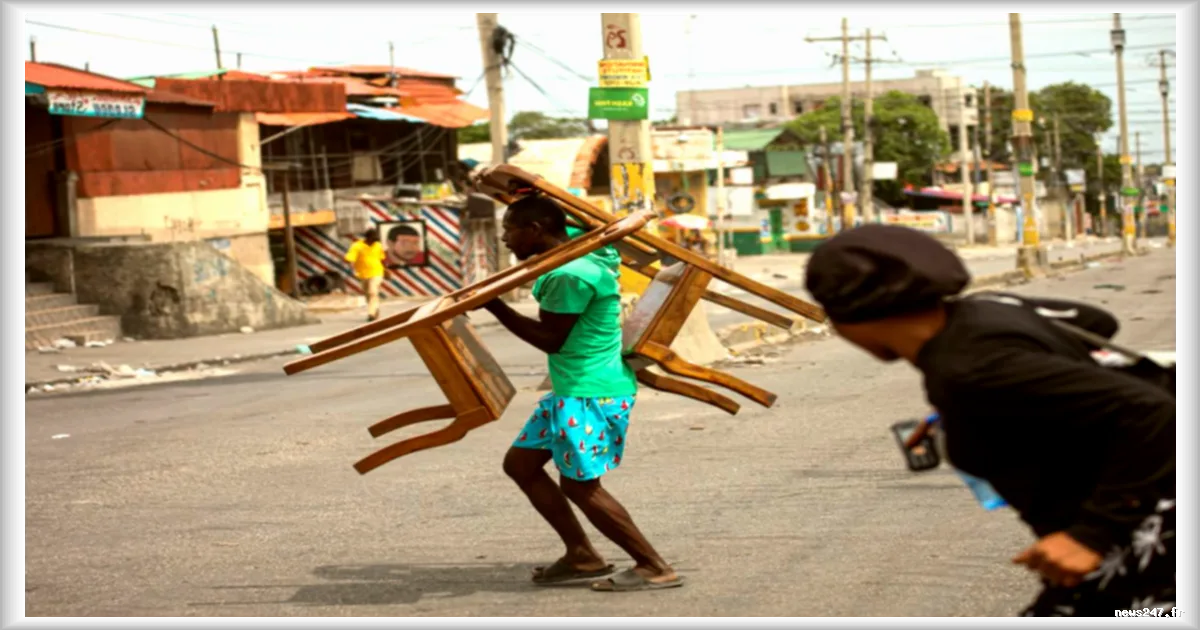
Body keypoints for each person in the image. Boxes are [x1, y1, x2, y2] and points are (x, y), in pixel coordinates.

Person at [803, 224, 1176, 617]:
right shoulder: (987, 310)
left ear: (846, 316)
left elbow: (1155, 412)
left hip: (1142, 550)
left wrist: (1091, 536)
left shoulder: (968, 369)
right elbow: (1095, 321)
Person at [477, 194, 683, 593]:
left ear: (535, 231)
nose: (505, 239)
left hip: (589, 392)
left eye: (510, 230)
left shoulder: (569, 274)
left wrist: (494, 306)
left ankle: (652, 565)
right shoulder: (579, 249)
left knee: (579, 485)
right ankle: (582, 555)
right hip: (575, 388)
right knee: (521, 465)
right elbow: (574, 223)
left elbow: (550, 339)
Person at [344, 228, 386, 322]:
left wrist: (386, 270)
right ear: (367, 238)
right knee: (368, 294)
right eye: (372, 239)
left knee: (373, 292)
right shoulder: (357, 246)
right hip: (362, 274)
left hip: (377, 272)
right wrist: (349, 261)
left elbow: (382, 259)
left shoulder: (378, 245)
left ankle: (371, 314)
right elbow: (350, 258)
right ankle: (375, 308)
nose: (373, 242)